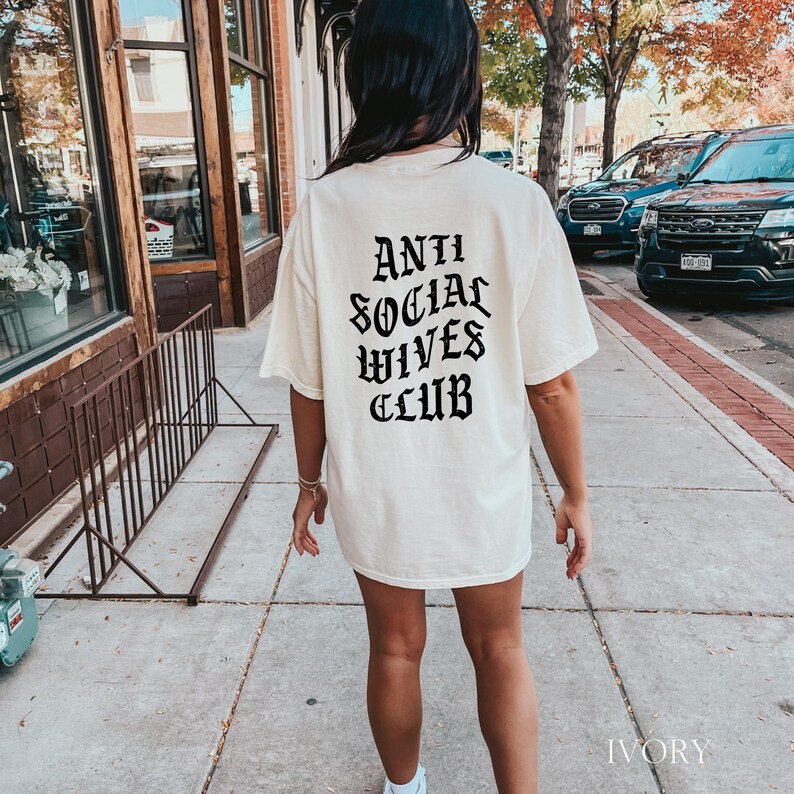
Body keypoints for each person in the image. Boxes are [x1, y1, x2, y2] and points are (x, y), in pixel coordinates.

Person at [258, 1, 598, 791]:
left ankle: (404, 789)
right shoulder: (514, 204)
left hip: (377, 485)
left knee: (394, 648)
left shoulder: (326, 210)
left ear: (365, 73)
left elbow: (309, 383)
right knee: (501, 647)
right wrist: (577, 494)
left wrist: (309, 483)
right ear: (461, 73)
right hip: (482, 483)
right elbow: (551, 385)